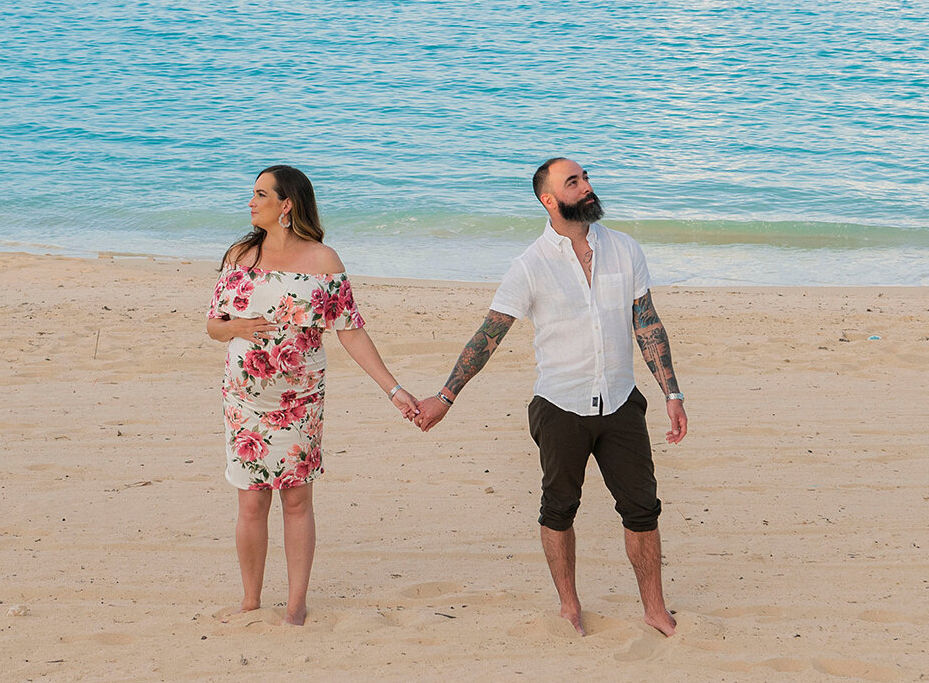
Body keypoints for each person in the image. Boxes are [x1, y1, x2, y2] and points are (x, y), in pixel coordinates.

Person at [410, 157, 688, 637]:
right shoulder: (530, 266)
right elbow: (488, 337)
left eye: (586, 178)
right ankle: (569, 604)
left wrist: (672, 392)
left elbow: (647, 323)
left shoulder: (625, 250)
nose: (587, 187)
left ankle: (654, 608)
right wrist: (445, 397)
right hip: (560, 406)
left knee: (643, 510)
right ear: (549, 199)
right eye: (573, 182)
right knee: (559, 508)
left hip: (621, 402)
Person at [206, 164, 419, 626]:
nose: (251, 201)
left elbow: (351, 332)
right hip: (244, 400)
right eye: (252, 194)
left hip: (299, 400)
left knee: (297, 499)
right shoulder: (240, 256)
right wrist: (236, 328)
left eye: (261, 194)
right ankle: (250, 601)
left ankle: (297, 604)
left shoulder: (324, 261)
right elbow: (213, 325)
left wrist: (394, 389)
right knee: (251, 501)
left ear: (287, 205)